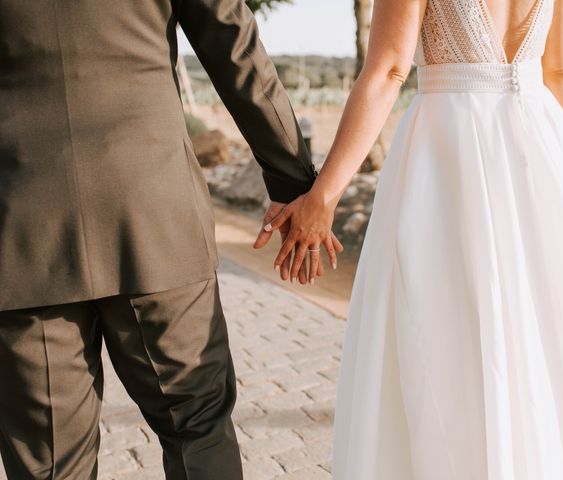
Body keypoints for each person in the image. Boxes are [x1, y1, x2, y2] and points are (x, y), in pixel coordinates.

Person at [259, 0, 563, 477]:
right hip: (545, 146)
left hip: (449, 157)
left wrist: (323, 197)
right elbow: (559, 72)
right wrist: (561, 189)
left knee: (443, 340)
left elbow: (388, 70)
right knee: (547, 334)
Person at [0, 0, 341, 478]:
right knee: (197, 430)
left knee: (49, 460)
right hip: (156, 216)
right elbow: (234, 48)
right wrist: (294, 186)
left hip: (21, 230)